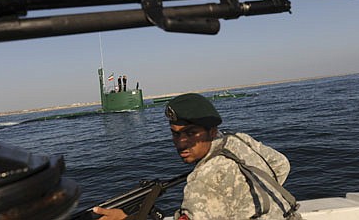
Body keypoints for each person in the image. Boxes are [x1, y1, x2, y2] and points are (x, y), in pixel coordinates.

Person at [93, 93, 300, 220]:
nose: (181, 142)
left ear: (211, 131)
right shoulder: (239, 140)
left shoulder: (203, 180)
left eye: (191, 133)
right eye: (175, 133)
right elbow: (281, 165)